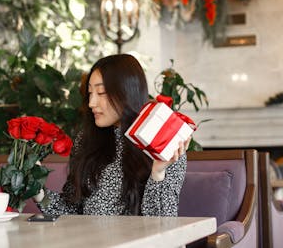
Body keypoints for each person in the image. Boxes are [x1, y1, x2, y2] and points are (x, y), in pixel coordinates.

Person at [33, 54, 189, 216]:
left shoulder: (165, 140)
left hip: (141, 241)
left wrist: (157, 173)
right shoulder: (86, 140)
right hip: (91, 241)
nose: (91, 103)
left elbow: (164, 225)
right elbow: (72, 213)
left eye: (101, 93)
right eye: (90, 93)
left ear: (127, 92)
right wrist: (37, 191)